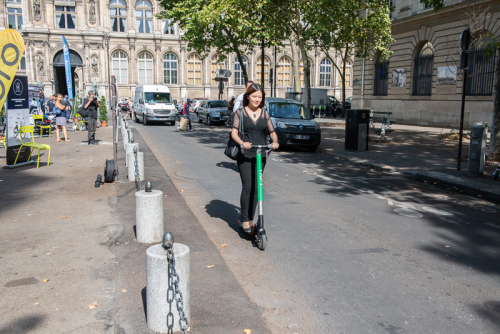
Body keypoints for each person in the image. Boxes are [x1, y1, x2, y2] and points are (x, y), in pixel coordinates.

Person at [231, 83, 279, 233]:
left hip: (260, 153)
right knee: (248, 187)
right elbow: (233, 133)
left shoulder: (264, 114)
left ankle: (251, 218)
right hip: (245, 153)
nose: (257, 99)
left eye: (260, 97)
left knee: (257, 188)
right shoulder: (240, 113)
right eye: (254, 96)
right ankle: (245, 220)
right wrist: (242, 143)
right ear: (248, 96)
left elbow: (271, 131)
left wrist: (275, 141)